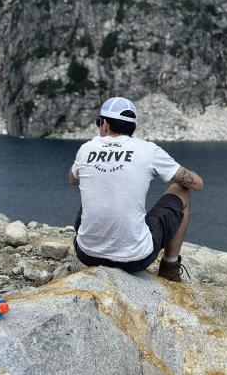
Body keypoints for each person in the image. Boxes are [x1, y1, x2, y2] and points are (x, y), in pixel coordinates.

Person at [68, 96, 204, 281]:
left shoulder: (86, 148)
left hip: (87, 254)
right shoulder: (148, 150)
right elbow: (197, 184)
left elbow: (73, 180)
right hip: (134, 259)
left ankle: (97, 241)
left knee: (96, 190)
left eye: (98, 122)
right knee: (181, 191)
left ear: (105, 124)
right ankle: (170, 269)